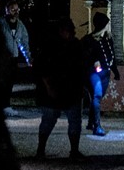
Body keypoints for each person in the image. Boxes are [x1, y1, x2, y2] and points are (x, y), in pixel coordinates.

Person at [34, 18, 86, 160]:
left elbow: (80, 67)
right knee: (50, 120)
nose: (70, 33)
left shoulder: (74, 45)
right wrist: (49, 87)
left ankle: (73, 150)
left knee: (72, 120)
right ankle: (41, 149)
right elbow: (42, 69)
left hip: (70, 89)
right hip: (56, 89)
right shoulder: (51, 46)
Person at [82, 11, 118, 136]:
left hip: (106, 73)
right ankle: (97, 126)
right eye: (107, 24)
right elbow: (84, 55)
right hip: (94, 73)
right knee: (97, 96)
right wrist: (94, 61)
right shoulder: (89, 40)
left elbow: (112, 56)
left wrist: (115, 71)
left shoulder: (108, 39)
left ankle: (91, 121)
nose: (109, 26)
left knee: (98, 97)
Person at [0, 0, 31, 116]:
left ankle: (6, 105)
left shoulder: (20, 25)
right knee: (3, 82)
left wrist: (28, 58)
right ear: (7, 11)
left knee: (10, 82)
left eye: (17, 10)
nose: (16, 12)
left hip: (14, 57)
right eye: (13, 10)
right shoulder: (0, 24)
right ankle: (2, 105)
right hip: (3, 58)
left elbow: (24, 42)